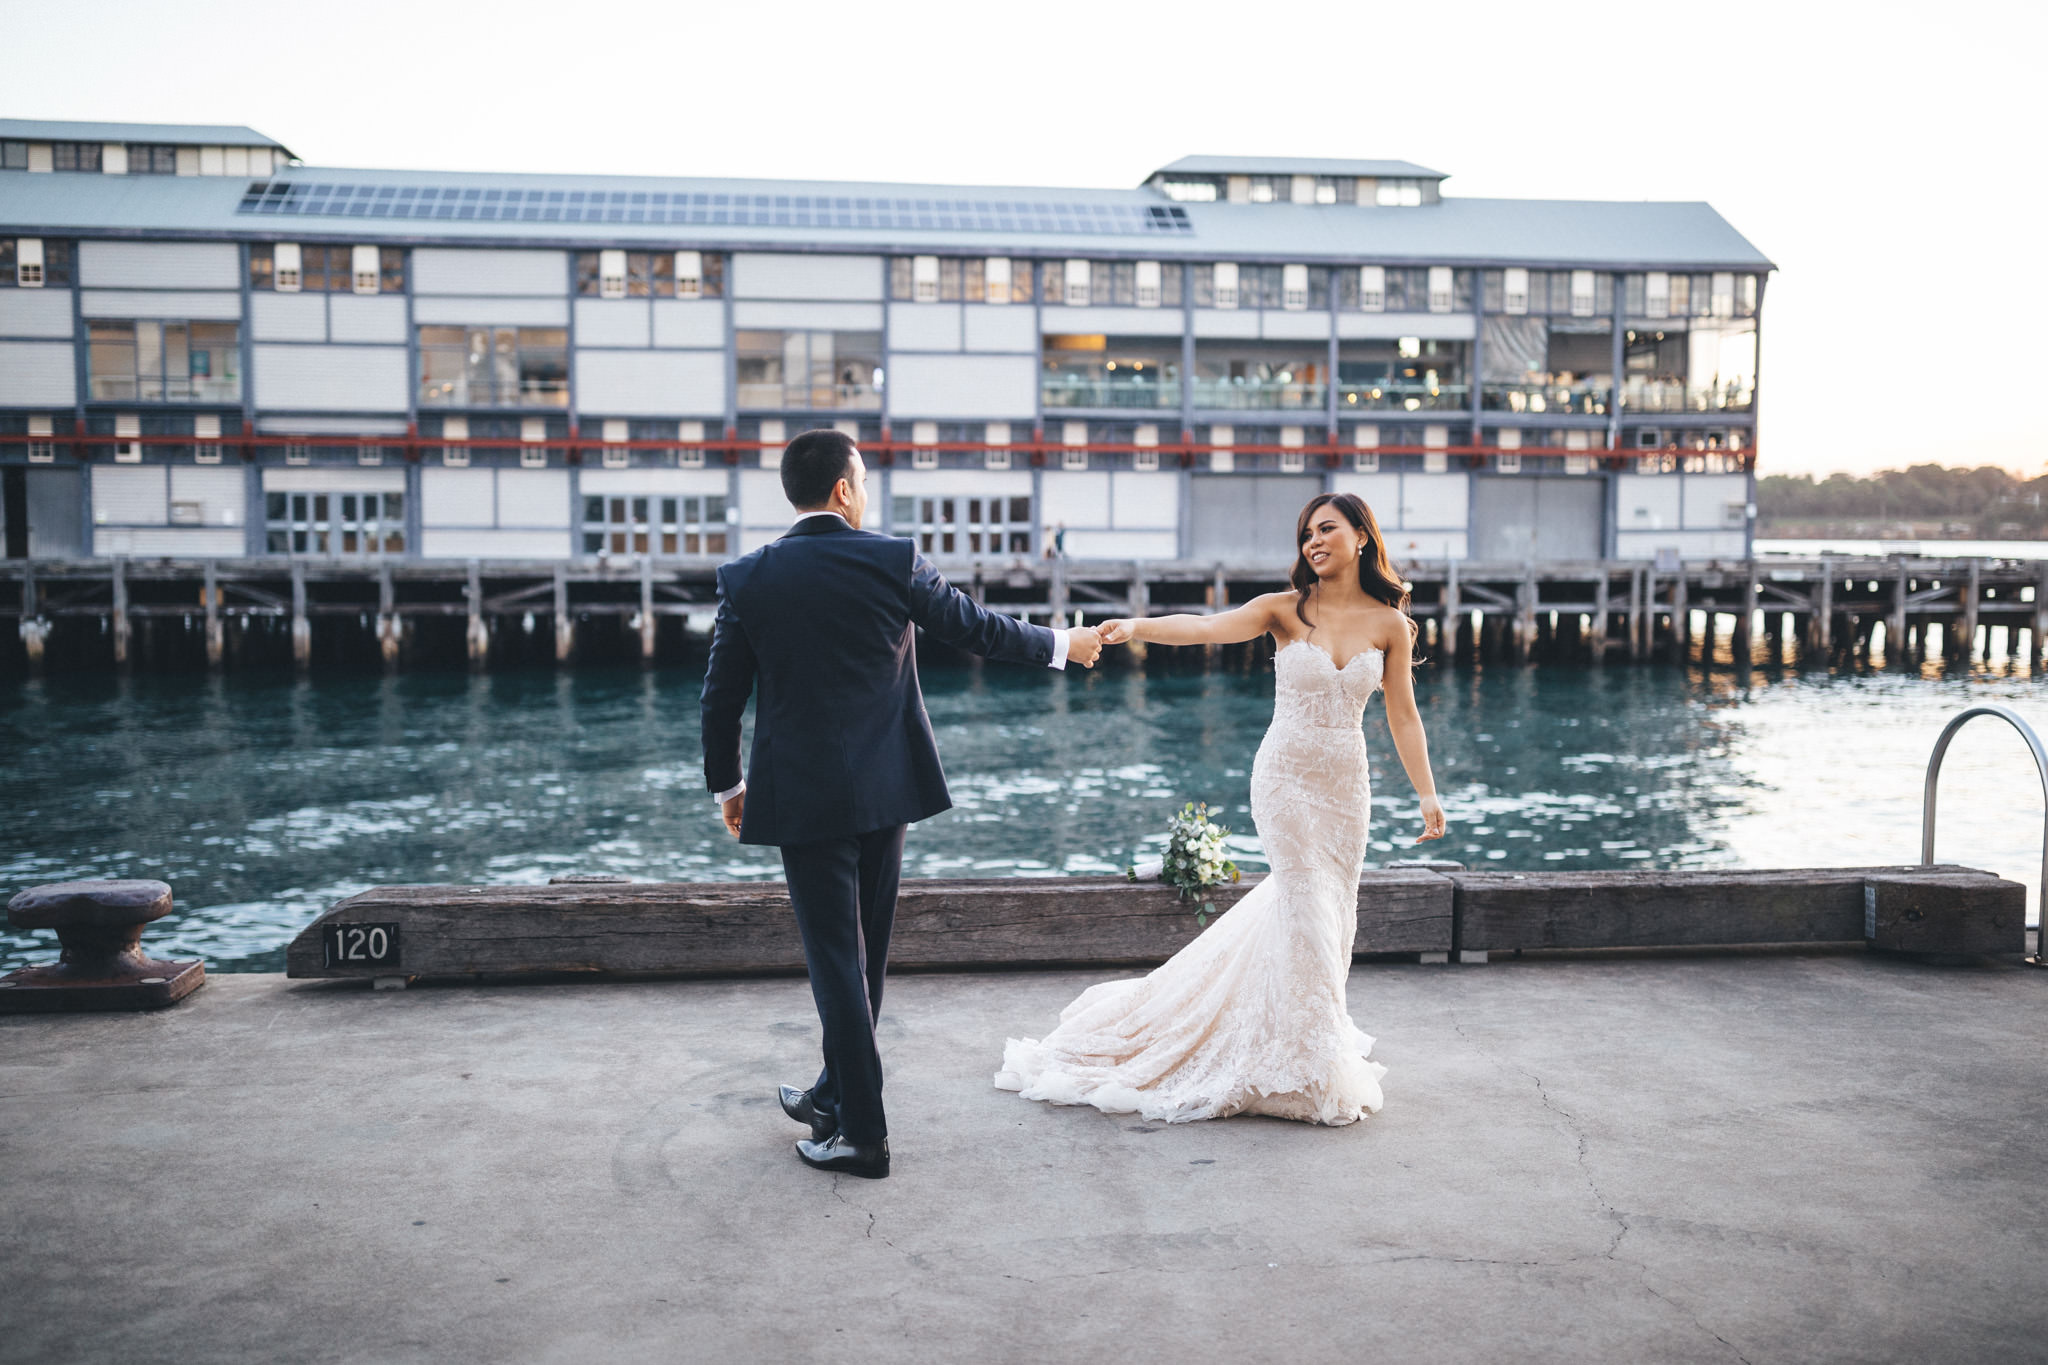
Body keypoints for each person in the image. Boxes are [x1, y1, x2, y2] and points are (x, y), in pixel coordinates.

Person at [701, 428, 1103, 1179]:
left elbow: (720, 699)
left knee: (836, 962)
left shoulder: (748, 577)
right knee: (863, 959)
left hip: (802, 798)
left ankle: (861, 1130)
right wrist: (1059, 645)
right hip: (889, 788)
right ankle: (835, 1095)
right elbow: (974, 628)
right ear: (845, 490)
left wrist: (729, 787)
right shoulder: (890, 558)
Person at [995, 491, 1445, 1125]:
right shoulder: (1286, 611)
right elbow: (1206, 626)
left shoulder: (1390, 624)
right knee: (1305, 909)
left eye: (1327, 530)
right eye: (1305, 535)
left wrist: (1427, 794)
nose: (1313, 543)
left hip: (1346, 791)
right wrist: (1138, 628)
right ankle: (1306, 1071)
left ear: (1362, 538)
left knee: (1331, 917)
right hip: (1285, 781)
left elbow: (1403, 713)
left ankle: (1299, 1050)